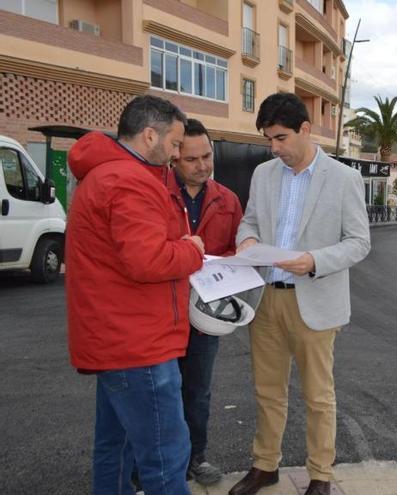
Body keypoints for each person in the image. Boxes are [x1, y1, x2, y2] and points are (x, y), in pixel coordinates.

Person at [229, 93, 370, 495]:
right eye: (268, 140)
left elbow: (359, 243)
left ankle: (320, 475)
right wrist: (249, 239)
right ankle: (265, 466)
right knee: (267, 391)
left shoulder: (343, 178)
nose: (274, 148)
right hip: (267, 300)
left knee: (318, 396)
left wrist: (313, 260)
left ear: (305, 130)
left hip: (315, 298)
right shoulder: (263, 175)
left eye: (280, 138)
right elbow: (249, 221)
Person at [65, 95, 205, 494]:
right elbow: (149, 261)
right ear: (149, 136)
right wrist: (192, 249)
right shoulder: (128, 180)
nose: (179, 154)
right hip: (137, 344)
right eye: (176, 145)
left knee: (116, 448)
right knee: (165, 455)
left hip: (115, 339)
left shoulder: (105, 174)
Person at [168, 119, 244, 485]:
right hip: (162, 312)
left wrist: (225, 265)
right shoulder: (157, 193)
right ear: (174, 158)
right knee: (162, 391)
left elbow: (236, 249)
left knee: (197, 391)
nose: (202, 165)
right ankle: (159, 462)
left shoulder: (227, 200)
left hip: (204, 314)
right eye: (192, 158)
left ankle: (196, 458)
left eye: (207, 156)